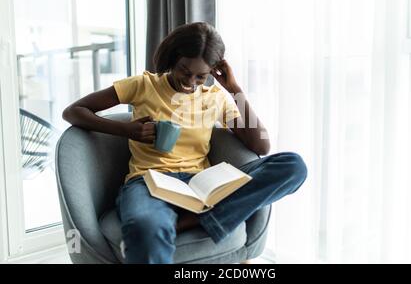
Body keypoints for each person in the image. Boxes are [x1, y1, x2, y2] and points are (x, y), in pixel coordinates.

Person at [62, 22, 307, 264]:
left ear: (213, 71)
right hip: (149, 182)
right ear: (173, 57)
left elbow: (261, 146)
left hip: (201, 183)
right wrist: (127, 130)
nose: (190, 82)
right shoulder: (143, 85)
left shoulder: (216, 98)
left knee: (293, 166)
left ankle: (201, 219)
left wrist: (233, 88)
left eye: (201, 76)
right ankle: (201, 219)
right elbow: (74, 111)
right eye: (184, 71)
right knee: (145, 229)